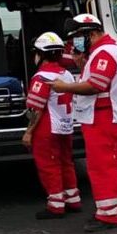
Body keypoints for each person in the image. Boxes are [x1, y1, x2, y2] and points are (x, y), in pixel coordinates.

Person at [51, 14, 117, 232]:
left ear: (92, 33)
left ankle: (108, 216)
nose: (75, 43)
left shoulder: (104, 52)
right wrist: (82, 63)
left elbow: (96, 85)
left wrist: (65, 87)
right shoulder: (108, 50)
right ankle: (108, 210)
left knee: (102, 166)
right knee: (106, 164)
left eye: (79, 37)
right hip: (104, 115)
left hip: (103, 116)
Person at [23, 32, 81, 219]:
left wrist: (28, 132)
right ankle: (73, 198)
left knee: (49, 164)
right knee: (66, 161)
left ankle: (56, 205)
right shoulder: (67, 75)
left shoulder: (41, 77)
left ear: (40, 54)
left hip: (47, 127)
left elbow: (36, 109)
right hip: (66, 124)